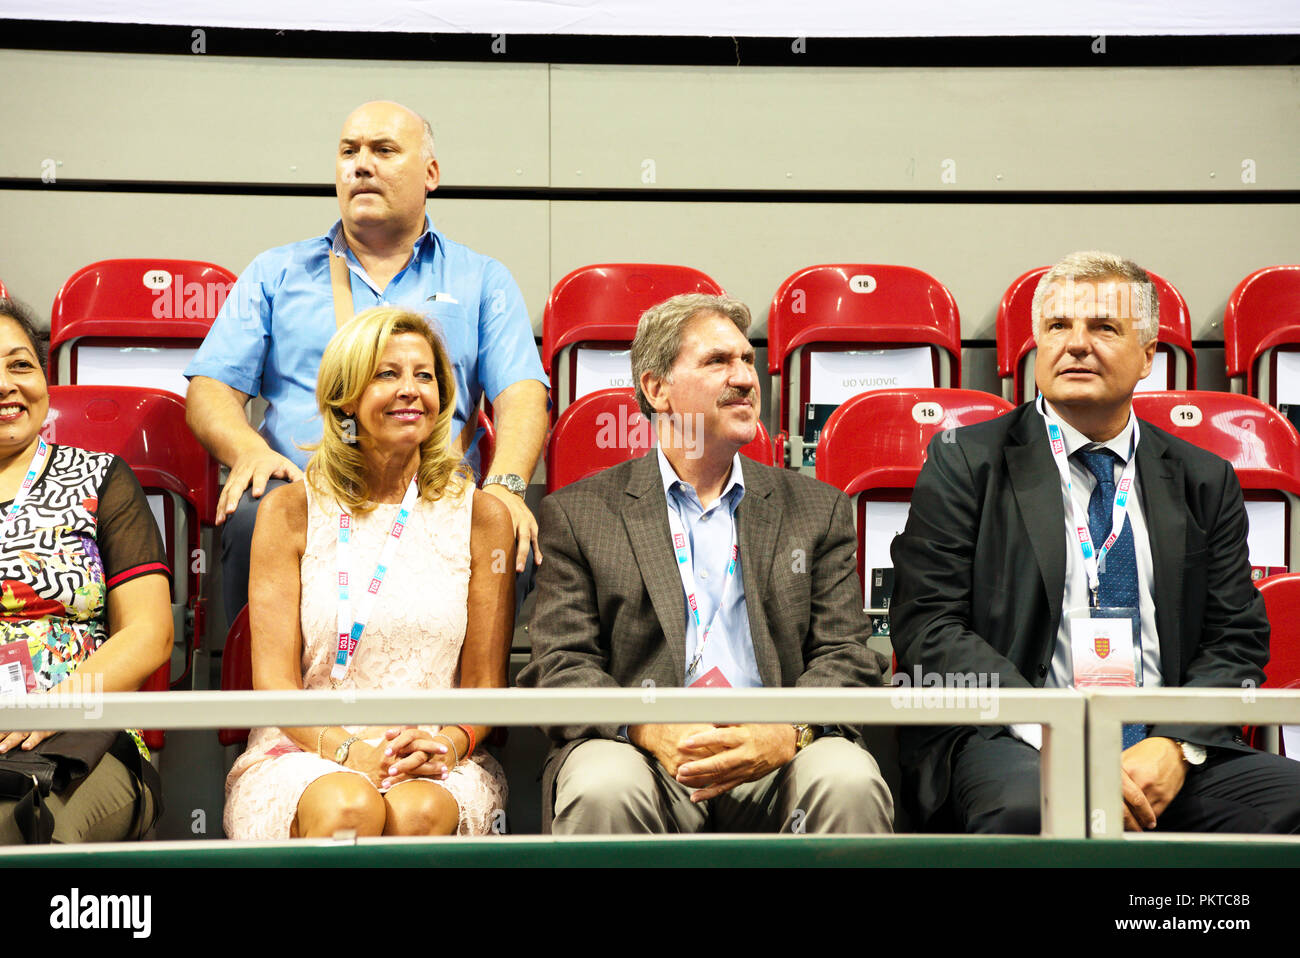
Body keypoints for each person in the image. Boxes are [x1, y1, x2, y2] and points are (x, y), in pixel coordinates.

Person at [890, 250, 1300, 834]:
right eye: (1058, 326)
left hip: (1163, 747)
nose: (1076, 344)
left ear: (1149, 355)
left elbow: (1237, 638)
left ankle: (1183, 929)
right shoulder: (966, 462)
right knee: (1030, 812)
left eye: (1104, 327)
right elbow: (927, 625)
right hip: (1014, 734)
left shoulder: (1203, 479)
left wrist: (1176, 747)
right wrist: (1055, 729)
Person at [518, 293, 894, 835]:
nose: (744, 377)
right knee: (601, 783)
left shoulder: (817, 509)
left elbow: (846, 654)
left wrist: (787, 730)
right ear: (656, 389)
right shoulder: (580, 515)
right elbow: (560, 665)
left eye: (746, 360)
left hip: (778, 754)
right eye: (718, 361)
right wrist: (647, 727)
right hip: (642, 755)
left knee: (847, 779)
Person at [185, 99, 548, 625]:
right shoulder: (276, 273)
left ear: (430, 174)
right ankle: (268, 699)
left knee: (503, 527)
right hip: (308, 494)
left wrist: (508, 486)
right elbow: (210, 389)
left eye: (383, 151)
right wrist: (248, 452)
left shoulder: (482, 280)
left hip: (434, 496)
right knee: (252, 517)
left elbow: (522, 394)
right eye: (349, 151)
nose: (361, 164)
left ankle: (468, 704)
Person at [224, 306, 513, 839]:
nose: (410, 390)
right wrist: (350, 750)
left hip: (431, 756)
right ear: (346, 398)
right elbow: (273, 685)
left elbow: (484, 687)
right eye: (387, 374)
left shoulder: (483, 517)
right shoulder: (290, 510)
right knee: (349, 807)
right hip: (305, 748)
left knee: (418, 812)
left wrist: (447, 744)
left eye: (424, 375)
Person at [0, 297, 171, 844]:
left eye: (20, 364)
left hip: (81, 732)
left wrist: (55, 706)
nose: (6, 384)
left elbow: (150, 632)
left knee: (18, 825)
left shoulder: (100, 479)